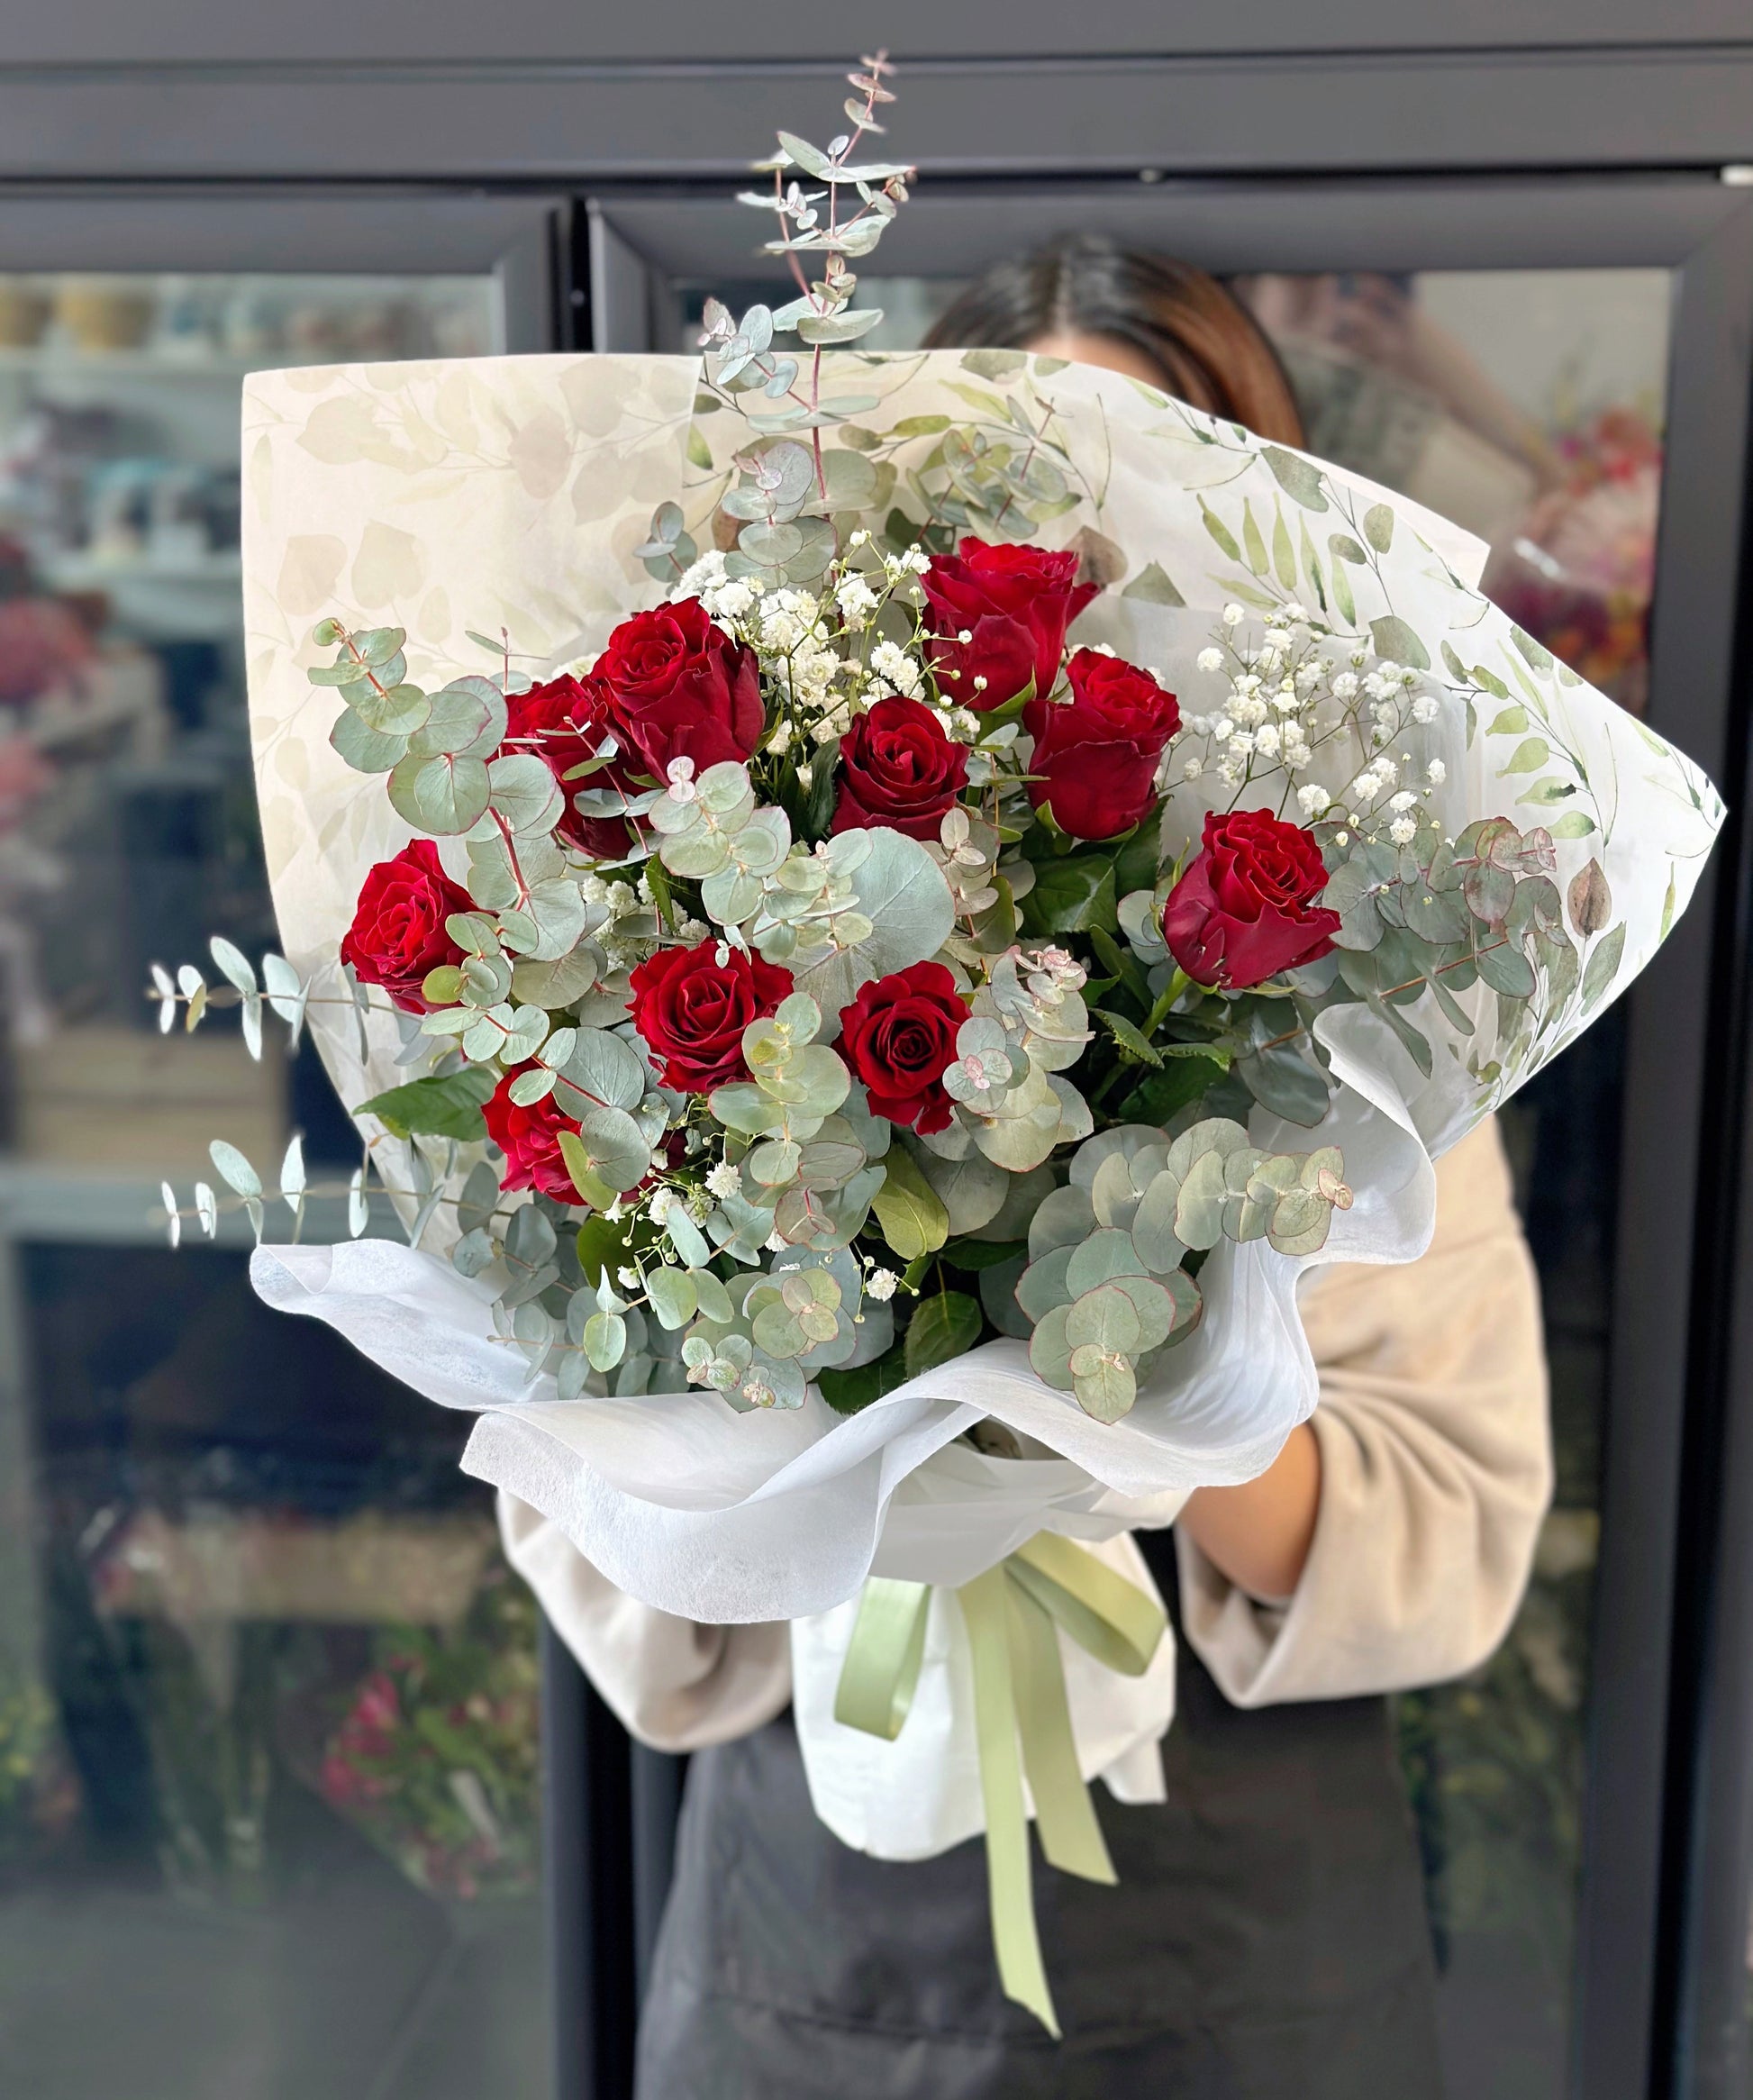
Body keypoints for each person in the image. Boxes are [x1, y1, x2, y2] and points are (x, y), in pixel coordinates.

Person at [502, 237, 1553, 2097]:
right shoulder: (734, 930)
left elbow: (1453, 1526)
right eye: (1029, 488)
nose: (1090, 568)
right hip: (808, 1943)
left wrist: (1138, 1383)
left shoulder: (1378, 988)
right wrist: (790, 1348)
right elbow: (587, 1511)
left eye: (1163, 491)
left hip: (1244, 1959)